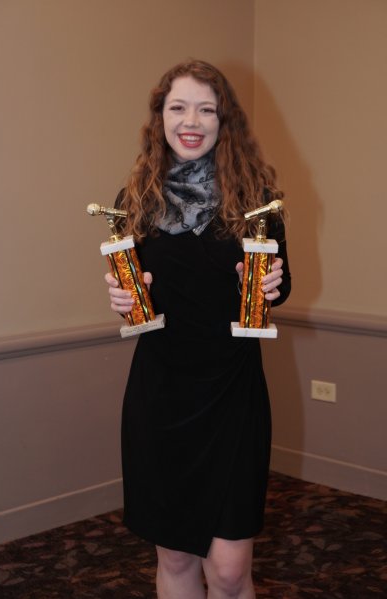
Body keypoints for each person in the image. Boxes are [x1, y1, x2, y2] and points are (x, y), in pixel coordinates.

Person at [105, 59, 291, 599]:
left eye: (206, 109)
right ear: (159, 117)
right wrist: (121, 298)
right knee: (177, 557)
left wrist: (272, 284)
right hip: (160, 396)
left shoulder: (257, 199)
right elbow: (134, 296)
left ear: (223, 119)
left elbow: (280, 287)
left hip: (232, 396)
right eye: (178, 107)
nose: (192, 120)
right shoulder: (135, 201)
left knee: (231, 570)